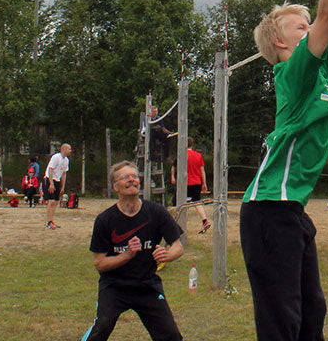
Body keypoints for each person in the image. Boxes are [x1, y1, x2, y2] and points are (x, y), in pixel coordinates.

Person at [239, 0, 328, 341]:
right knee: (282, 320)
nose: (310, 29)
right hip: (270, 210)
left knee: (312, 313)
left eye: (309, 25)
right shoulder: (293, 73)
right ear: (281, 42)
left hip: (291, 211)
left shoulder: (318, 72)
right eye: (299, 27)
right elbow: (327, 16)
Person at [81, 160, 184, 341]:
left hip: (146, 285)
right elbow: (100, 263)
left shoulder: (156, 212)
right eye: (125, 177)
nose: (131, 180)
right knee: (101, 327)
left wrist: (168, 255)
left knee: (171, 336)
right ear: (116, 187)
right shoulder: (105, 220)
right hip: (114, 286)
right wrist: (126, 255)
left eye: (134, 176)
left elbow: (178, 246)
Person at [171, 138, 211, 233]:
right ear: (192, 145)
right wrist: (204, 183)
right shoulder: (198, 156)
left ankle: (179, 225)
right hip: (197, 182)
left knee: (182, 204)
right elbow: (202, 170)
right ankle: (205, 220)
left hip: (185, 183)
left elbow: (173, 167)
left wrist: (172, 176)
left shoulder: (181, 155)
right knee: (197, 202)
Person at [45, 143, 72, 229]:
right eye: (69, 149)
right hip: (50, 179)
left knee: (56, 202)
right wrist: (51, 184)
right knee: (51, 201)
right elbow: (50, 170)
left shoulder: (66, 160)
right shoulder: (56, 157)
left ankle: (52, 221)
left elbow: (64, 174)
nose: (70, 151)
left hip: (57, 180)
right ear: (64, 149)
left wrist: (62, 186)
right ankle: (49, 222)